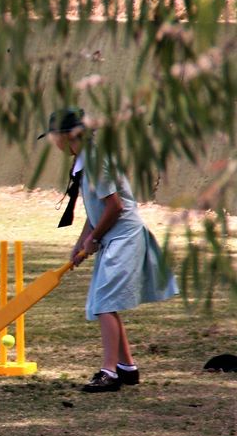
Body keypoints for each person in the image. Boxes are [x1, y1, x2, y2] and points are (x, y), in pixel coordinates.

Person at [42, 107, 178, 392]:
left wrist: (95, 238)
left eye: (54, 136)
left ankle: (109, 373)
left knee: (104, 302)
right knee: (106, 302)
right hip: (111, 237)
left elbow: (115, 206)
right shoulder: (83, 160)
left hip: (124, 236)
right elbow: (96, 208)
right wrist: (82, 241)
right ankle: (127, 367)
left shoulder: (95, 161)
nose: (53, 143)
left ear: (67, 136)